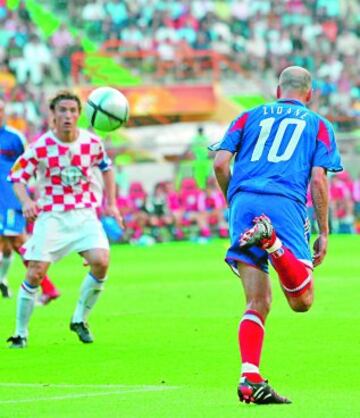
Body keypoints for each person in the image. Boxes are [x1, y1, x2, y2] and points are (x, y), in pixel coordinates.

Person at [211, 66, 342, 404]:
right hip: (283, 203)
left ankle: (249, 379)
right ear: (309, 94)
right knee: (302, 301)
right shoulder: (318, 125)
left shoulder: (247, 116)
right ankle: (272, 241)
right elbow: (317, 180)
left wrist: (235, 202)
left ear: (277, 89)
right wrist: (324, 231)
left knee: (258, 301)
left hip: (244, 203)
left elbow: (220, 164)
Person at [7, 90, 124, 348]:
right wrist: (26, 202)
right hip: (52, 216)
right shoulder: (40, 147)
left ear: (80, 114)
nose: (68, 116)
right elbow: (16, 177)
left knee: (101, 261)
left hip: (84, 215)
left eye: (72, 111)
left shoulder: (92, 144)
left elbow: (107, 169)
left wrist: (112, 205)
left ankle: (79, 319)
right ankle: (20, 333)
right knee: (36, 272)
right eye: (62, 111)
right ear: (53, 116)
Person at [0, 95, 60, 302]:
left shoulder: (14, 138)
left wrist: (31, 193)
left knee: (17, 242)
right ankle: (6, 281)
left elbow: (29, 164)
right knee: (6, 245)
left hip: (8, 199)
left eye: (1, 111)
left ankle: (47, 287)